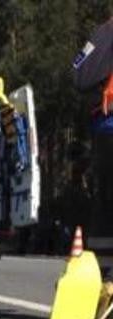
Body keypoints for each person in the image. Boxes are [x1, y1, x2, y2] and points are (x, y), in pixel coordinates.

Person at [74, 16, 113, 257]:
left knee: (107, 205)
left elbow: (80, 74)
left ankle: (107, 272)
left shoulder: (106, 31)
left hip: (108, 130)